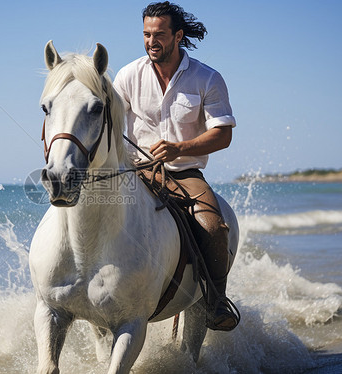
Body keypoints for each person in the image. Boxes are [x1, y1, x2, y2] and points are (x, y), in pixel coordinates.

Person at [113, 1, 239, 331]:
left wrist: (179, 148)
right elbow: (111, 124)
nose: (151, 41)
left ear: (177, 36)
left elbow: (222, 134)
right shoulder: (127, 75)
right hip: (137, 171)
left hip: (185, 174)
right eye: (146, 34)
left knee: (213, 228)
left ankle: (215, 302)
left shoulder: (207, 78)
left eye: (159, 34)